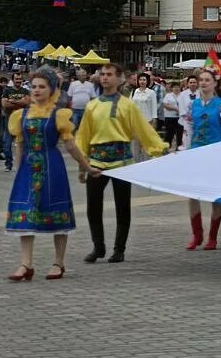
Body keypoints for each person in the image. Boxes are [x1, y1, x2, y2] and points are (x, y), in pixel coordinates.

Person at [6, 67, 95, 281]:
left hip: (52, 166)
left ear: (52, 89)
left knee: (57, 211)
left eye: (42, 87)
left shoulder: (59, 114)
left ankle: (58, 262)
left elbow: (71, 145)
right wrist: (19, 170)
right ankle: (26, 264)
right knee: (25, 213)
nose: (36, 90)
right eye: (34, 86)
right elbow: (19, 144)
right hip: (28, 168)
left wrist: (87, 166)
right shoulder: (22, 115)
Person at [77, 64, 169, 264]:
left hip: (122, 162)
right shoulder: (92, 106)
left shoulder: (128, 105)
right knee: (93, 207)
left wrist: (160, 149)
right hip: (96, 162)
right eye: (102, 74)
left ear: (119, 79)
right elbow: (83, 135)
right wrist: (82, 165)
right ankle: (98, 247)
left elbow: (144, 130)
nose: (105, 78)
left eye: (109, 74)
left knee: (122, 207)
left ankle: (119, 249)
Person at [181, 70, 221, 250]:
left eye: (207, 80)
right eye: (201, 80)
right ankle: (196, 234)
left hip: (215, 154)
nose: (203, 83)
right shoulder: (193, 105)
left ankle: (213, 237)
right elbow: (188, 129)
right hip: (196, 152)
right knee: (192, 195)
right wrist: (184, 148)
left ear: (215, 84)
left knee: (215, 197)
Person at [1, 72, 31, 173]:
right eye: (16, 79)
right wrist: (20, 102)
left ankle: (23, 164)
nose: (18, 81)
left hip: (23, 121)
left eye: (20, 79)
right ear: (13, 80)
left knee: (24, 145)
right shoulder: (7, 91)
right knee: (7, 145)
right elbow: (5, 104)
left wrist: (13, 101)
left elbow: (27, 102)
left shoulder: (26, 91)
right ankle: (8, 164)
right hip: (9, 121)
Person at [130, 74, 159, 163]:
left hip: (147, 121)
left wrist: (154, 122)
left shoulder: (151, 92)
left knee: (146, 146)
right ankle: (135, 164)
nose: (142, 82)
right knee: (135, 146)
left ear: (147, 82)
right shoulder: (134, 91)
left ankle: (146, 164)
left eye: (144, 80)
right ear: (138, 81)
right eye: (140, 80)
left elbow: (154, 107)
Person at [161, 82, 183, 150]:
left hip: (180, 118)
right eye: (174, 87)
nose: (176, 88)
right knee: (169, 135)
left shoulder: (183, 95)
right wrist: (175, 108)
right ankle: (167, 149)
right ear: (172, 88)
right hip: (170, 118)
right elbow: (165, 105)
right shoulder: (168, 95)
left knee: (180, 135)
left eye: (178, 87)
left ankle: (179, 149)